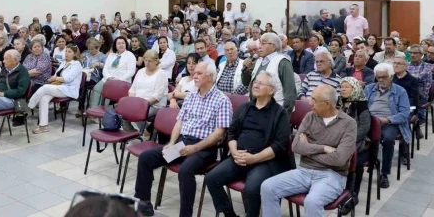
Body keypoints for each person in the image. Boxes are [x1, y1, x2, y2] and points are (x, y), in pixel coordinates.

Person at [133, 61, 232, 217]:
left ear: (210, 77)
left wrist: (195, 148)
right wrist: (172, 143)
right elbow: (180, 121)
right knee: (146, 158)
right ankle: (144, 203)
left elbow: (220, 133)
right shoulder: (192, 96)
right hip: (181, 145)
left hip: (204, 150)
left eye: (199, 73)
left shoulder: (222, 100)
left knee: (185, 170)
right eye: (195, 72)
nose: (194, 75)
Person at [260, 85, 356, 217]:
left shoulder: (348, 123)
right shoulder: (310, 116)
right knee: (267, 187)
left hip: (332, 175)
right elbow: (296, 147)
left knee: (312, 201)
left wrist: (308, 149)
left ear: (327, 104)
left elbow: (339, 159)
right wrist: (323, 148)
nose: (310, 103)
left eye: (314, 100)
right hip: (304, 171)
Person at [205, 71, 291, 217]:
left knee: (251, 189)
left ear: (271, 90)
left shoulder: (280, 113)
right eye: (255, 82)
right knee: (211, 179)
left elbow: (280, 145)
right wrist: (234, 151)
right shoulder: (245, 108)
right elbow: (231, 133)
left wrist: (254, 158)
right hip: (239, 156)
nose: (255, 85)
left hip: (264, 161)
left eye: (260, 83)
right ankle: (229, 213)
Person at [365, 63, 411, 189]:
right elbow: (363, 107)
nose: (380, 80)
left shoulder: (400, 91)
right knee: (354, 135)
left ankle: (384, 173)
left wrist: (386, 120)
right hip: (370, 120)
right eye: (378, 77)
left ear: (391, 77)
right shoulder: (369, 89)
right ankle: (362, 165)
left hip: (389, 122)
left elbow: (404, 113)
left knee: (388, 139)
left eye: (384, 77)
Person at [27, 44, 83, 134]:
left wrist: (55, 78)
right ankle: (43, 126)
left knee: (44, 87)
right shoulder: (64, 62)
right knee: (44, 98)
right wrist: (52, 78)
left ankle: (29, 106)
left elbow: (67, 79)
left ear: (75, 54)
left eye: (69, 52)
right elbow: (56, 74)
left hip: (69, 89)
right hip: (59, 86)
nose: (67, 53)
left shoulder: (76, 64)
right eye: (66, 51)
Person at [338, 77, 371, 214]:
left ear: (355, 88)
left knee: (355, 162)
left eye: (347, 86)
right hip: (340, 140)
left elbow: (364, 128)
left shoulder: (361, 105)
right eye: (342, 86)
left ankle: (353, 194)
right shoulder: (338, 103)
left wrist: (347, 139)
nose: (343, 89)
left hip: (360, 143)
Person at [242, 33, 298, 113]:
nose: (259, 46)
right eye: (259, 43)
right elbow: (245, 83)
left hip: (275, 111)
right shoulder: (258, 61)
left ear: (273, 47)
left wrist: (284, 115)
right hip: (255, 109)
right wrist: (245, 70)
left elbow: (290, 91)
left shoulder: (282, 62)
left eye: (263, 43)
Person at [126, 50, 168, 133]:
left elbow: (157, 96)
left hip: (154, 105)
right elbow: (132, 89)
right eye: (145, 60)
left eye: (150, 61)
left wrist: (140, 105)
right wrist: (132, 102)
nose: (147, 63)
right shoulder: (140, 71)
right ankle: (131, 132)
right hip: (137, 103)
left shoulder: (161, 74)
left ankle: (145, 131)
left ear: (156, 61)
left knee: (135, 112)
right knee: (122, 111)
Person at [89, 37, 137, 108]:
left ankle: (105, 111)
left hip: (122, 81)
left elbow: (131, 71)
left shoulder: (130, 55)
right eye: (118, 43)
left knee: (111, 94)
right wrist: (108, 77)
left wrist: (119, 79)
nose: (121, 45)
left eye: (123, 43)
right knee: (97, 88)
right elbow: (105, 68)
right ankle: (94, 109)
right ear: (115, 45)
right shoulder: (111, 55)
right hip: (108, 79)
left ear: (126, 44)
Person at [407, 44, 432, 134]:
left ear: (421, 54)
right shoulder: (406, 65)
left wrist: (406, 78)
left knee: (413, 94)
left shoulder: (427, 66)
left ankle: (416, 120)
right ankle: (412, 121)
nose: (412, 55)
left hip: (421, 94)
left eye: (415, 53)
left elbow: (418, 79)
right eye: (411, 53)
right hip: (407, 92)